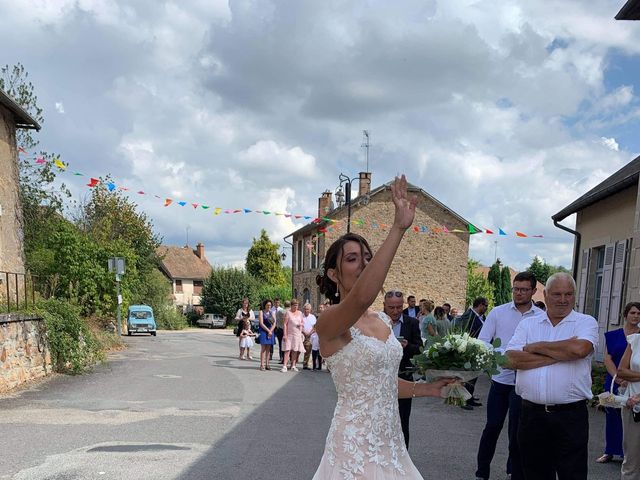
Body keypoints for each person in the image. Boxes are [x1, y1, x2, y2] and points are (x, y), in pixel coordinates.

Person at [312, 175, 452, 480]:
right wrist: (398, 228)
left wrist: (428, 388)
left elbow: (382, 384)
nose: (362, 263)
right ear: (334, 275)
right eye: (352, 259)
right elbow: (362, 296)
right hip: (354, 447)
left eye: (367, 258)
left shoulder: (382, 320)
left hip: (390, 441)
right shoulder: (330, 321)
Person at [505, 272, 598, 480]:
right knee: (534, 474)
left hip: (571, 417)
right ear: (545, 295)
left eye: (569, 294)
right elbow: (511, 360)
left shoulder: (586, 322)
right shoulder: (528, 325)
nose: (563, 300)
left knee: (572, 474)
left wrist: (536, 347)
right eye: (557, 294)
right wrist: (560, 354)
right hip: (531, 416)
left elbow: (579, 350)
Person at [474, 271, 542, 480]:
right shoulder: (498, 312)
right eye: (516, 288)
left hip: (524, 382)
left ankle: (514, 471)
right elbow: (484, 340)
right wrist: (503, 357)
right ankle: (482, 472)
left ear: (533, 291)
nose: (518, 293)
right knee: (492, 426)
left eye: (523, 289)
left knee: (517, 431)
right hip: (500, 380)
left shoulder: (540, 318)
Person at [596, 302, 640, 464]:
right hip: (613, 380)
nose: (636, 316)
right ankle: (609, 451)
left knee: (631, 419)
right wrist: (618, 377)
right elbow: (607, 358)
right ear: (625, 315)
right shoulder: (612, 335)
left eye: (639, 314)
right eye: (633, 313)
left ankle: (627, 454)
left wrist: (628, 379)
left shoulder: (639, 337)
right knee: (611, 415)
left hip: (634, 383)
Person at [383, 289, 424, 448]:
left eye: (399, 307)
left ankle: (402, 458)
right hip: (380, 378)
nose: (395, 311)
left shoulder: (412, 323)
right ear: (384, 306)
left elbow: (419, 348)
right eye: (391, 308)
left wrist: (407, 347)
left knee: (402, 421)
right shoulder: (377, 322)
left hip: (404, 376)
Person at [616, 323, 640, 479]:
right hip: (633, 406)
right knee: (630, 459)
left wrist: (634, 375)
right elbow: (621, 371)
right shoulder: (636, 340)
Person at [458, 297, 489, 409]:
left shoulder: (482, 317)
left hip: (478, 350)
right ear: (480, 305)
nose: (486, 308)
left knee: (474, 375)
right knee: (467, 376)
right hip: (469, 350)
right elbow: (463, 332)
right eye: (485, 305)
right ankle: (463, 400)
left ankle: (469, 396)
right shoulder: (468, 316)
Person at [282, 299, 305, 372]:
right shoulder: (288, 313)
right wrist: (285, 334)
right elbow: (285, 324)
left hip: (297, 334)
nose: (296, 307)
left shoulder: (300, 313)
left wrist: (300, 325)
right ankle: (285, 366)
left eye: (297, 305)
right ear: (291, 306)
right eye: (294, 305)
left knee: (295, 349)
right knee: (287, 349)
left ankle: (293, 365)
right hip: (289, 334)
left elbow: (302, 322)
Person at [258, 299, 276, 371]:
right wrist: (268, 331)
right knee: (263, 349)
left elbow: (274, 323)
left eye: (270, 305)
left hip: (271, 331)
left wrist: (271, 331)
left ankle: (267, 364)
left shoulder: (272, 313)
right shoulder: (261, 312)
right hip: (264, 331)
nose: (269, 306)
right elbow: (261, 323)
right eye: (268, 305)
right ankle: (262, 364)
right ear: (265, 305)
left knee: (268, 349)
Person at [302, 303, 317, 370]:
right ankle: (293, 363)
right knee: (297, 350)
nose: (306, 310)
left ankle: (305, 364)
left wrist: (310, 333)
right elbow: (299, 325)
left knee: (307, 350)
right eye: (305, 309)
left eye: (307, 309)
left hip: (309, 336)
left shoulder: (313, 317)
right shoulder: (301, 316)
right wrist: (304, 332)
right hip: (301, 335)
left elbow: (315, 327)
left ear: (310, 310)